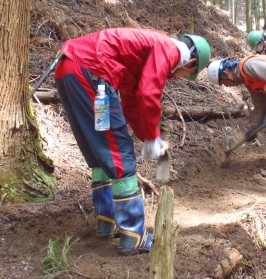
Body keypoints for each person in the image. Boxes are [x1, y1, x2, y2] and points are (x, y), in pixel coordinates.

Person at [54, 28, 211, 254]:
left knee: (99, 147)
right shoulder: (170, 50)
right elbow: (148, 94)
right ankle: (133, 234)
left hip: (68, 68)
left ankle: (106, 220)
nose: (182, 77)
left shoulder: (146, 52)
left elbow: (131, 99)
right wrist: (153, 136)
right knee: (119, 152)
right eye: (188, 74)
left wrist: (148, 136)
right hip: (91, 73)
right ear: (191, 62)